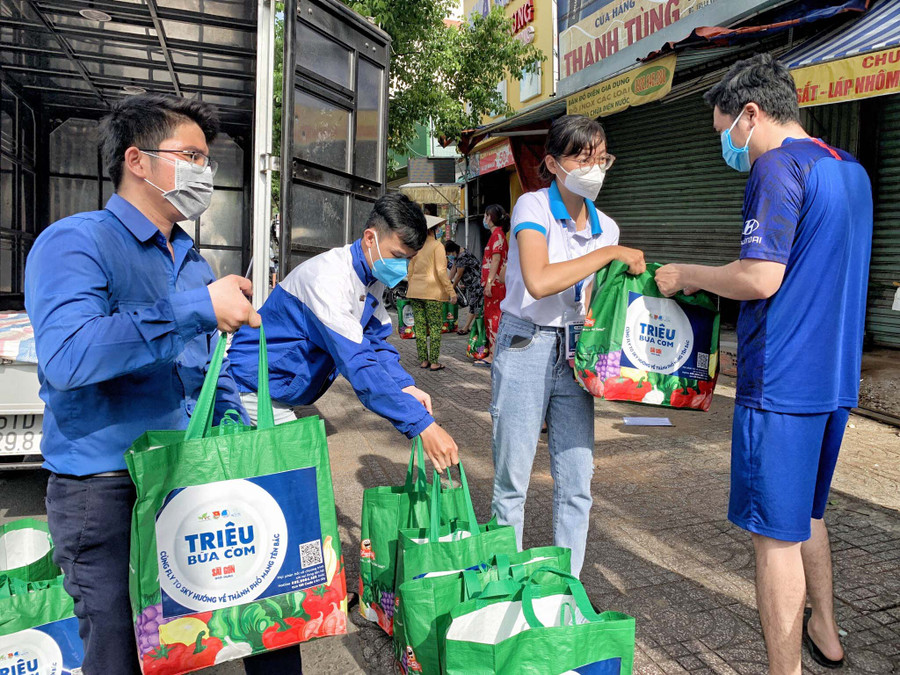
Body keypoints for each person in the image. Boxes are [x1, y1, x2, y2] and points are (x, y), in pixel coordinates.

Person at [23, 95, 304, 674]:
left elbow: (210, 372)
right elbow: (68, 356)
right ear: (138, 161)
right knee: (119, 649)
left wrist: (240, 433)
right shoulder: (76, 243)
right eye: (192, 156)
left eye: (208, 160)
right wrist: (196, 308)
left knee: (224, 630)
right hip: (106, 490)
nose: (206, 173)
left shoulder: (194, 262)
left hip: (187, 480)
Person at [655, 54, 872, 675]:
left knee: (774, 537)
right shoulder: (848, 168)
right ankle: (825, 634)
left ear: (750, 115)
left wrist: (686, 274)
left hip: (781, 382)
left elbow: (759, 276)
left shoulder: (776, 166)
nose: (730, 147)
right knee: (807, 513)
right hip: (834, 379)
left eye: (727, 131)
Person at [491, 115, 645, 577]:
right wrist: (607, 254)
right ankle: (503, 585)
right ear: (553, 163)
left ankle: (565, 587)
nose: (595, 167)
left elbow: (593, 297)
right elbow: (538, 281)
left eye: (602, 158)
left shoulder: (607, 227)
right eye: (583, 157)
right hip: (525, 344)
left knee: (577, 482)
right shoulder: (532, 209)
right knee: (511, 483)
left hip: (575, 351)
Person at [227, 194, 459, 472]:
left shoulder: (370, 276)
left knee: (287, 478)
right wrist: (422, 426)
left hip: (274, 388)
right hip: (252, 386)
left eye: (408, 259)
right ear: (370, 238)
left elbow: (374, 342)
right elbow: (359, 364)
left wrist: (404, 385)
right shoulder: (328, 280)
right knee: (298, 475)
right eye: (397, 257)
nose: (403, 267)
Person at [406, 215, 457, 370]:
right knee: (435, 327)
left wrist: (412, 285)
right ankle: (434, 361)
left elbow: (410, 271)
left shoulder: (417, 246)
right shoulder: (437, 246)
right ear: (434, 230)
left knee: (420, 328)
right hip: (432, 293)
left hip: (415, 292)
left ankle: (423, 360)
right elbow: (441, 271)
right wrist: (451, 291)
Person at [478, 204, 509, 366]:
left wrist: (489, 283)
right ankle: (493, 352)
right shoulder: (497, 235)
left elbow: (496, 260)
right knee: (492, 317)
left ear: (490, 217)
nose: (485, 218)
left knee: (494, 318)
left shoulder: (497, 236)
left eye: (486, 215)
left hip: (495, 285)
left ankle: (493, 355)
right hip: (494, 284)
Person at [444, 239, 482, 335]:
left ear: (452, 250)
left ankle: (466, 327)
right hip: (472, 283)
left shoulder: (463, 256)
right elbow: (453, 269)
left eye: (448, 253)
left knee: (473, 304)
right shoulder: (458, 254)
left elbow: (458, 275)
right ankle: (476, 327)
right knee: (475, 305)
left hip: (477, 282)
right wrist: (447, 282)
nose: (448, 256)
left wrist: (452, 287)